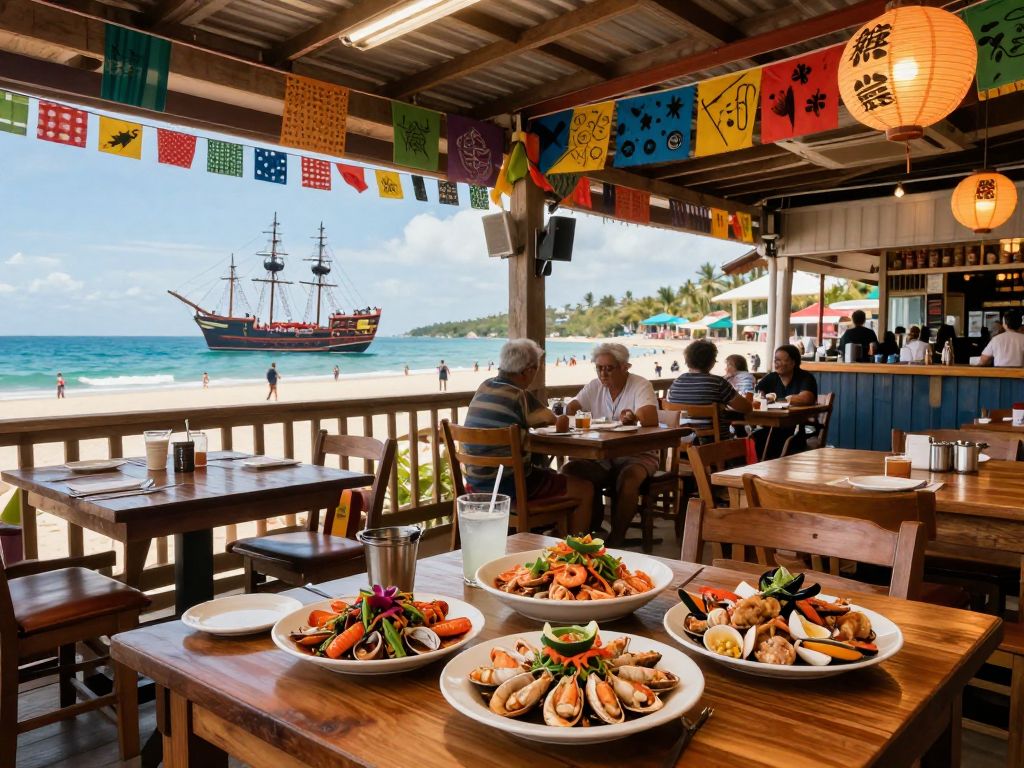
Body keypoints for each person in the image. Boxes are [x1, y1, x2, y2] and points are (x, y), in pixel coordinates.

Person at [463, 339, 592, 533]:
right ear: (526, 371)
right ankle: (575, 552)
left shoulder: (484, 386)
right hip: (509, 486)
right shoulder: (519, 395)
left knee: (548, 473)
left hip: (476, 483)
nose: (536, 373)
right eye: (536, 368)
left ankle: (552, 538)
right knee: (585, 489)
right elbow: (550, 419)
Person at [562, 343, 659, 545]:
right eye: (599, 368)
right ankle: (584, 532)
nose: (603, 373)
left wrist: (633, 416)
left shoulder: (640, 384)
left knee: (628, 479)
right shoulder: (594, 386)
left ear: (625, 367)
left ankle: (617, 538)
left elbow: (649, 416)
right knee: (571, 469)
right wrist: (568, 409)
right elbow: (572, 408)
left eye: (609, 368)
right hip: (602, 456)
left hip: (638, 454)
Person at [667, 340, 752, 442]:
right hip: (714, 446)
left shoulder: (676, 383)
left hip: (681, 444)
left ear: (687, 361)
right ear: (712, 362)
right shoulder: (718, 383)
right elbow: (746, 408)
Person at [753, 345, 817, 459]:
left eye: (780, 360)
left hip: (796, 431)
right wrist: (762, 396)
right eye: (775, 360)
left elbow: (806, 398)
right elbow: (758, 394)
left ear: (793, 362)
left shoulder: (805, 377)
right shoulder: (771, 377)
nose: (776, 363)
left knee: (768, 440)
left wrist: (776, 399)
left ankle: (771, 469)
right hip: (771, 427)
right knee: (754, 437)